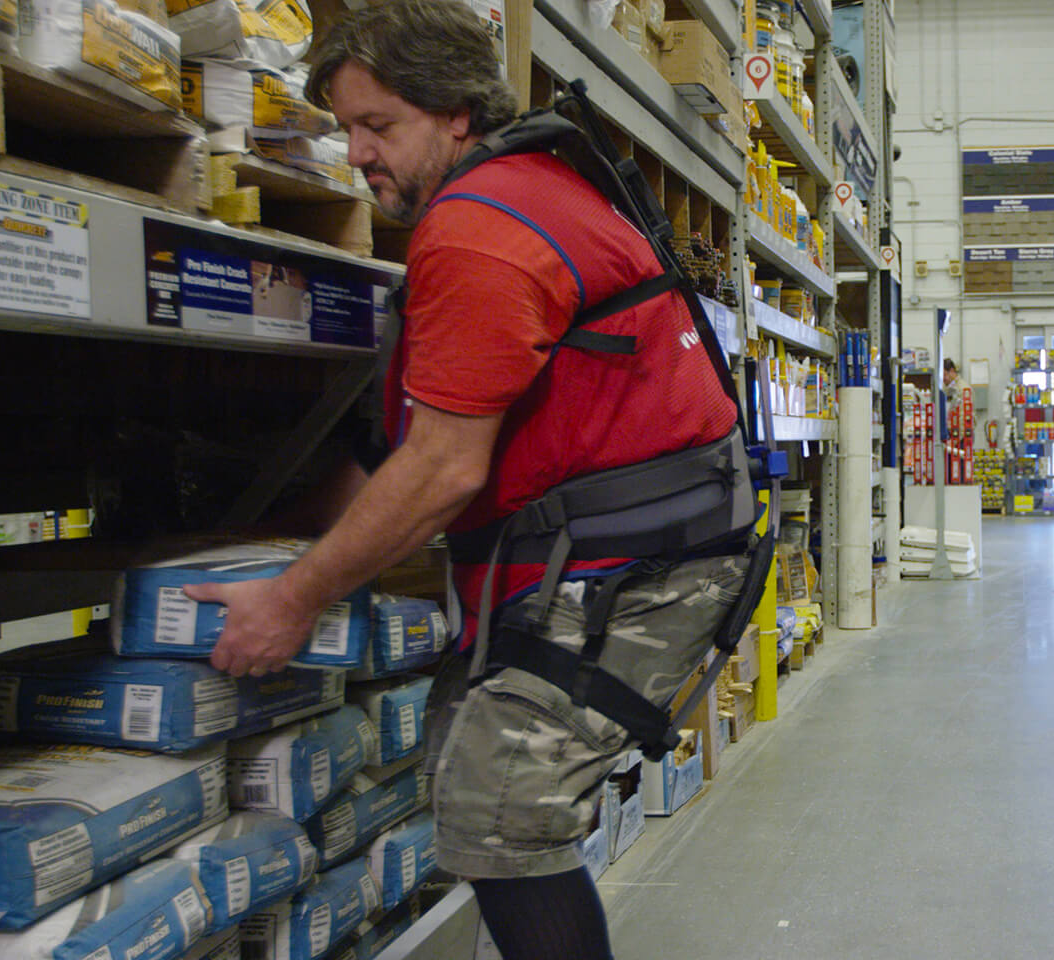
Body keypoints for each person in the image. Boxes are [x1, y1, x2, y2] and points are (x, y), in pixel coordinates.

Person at [177, 3, 740, 957]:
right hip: (636, 545)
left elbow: (444, 467)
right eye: (346, 129)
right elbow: (420, 442)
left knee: (500, 817)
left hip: (641, 568)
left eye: (379, 126)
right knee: (471, 775)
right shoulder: (523, 189)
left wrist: (291, 596)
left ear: (456, 115)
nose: (355, 155)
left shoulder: (481, 228)